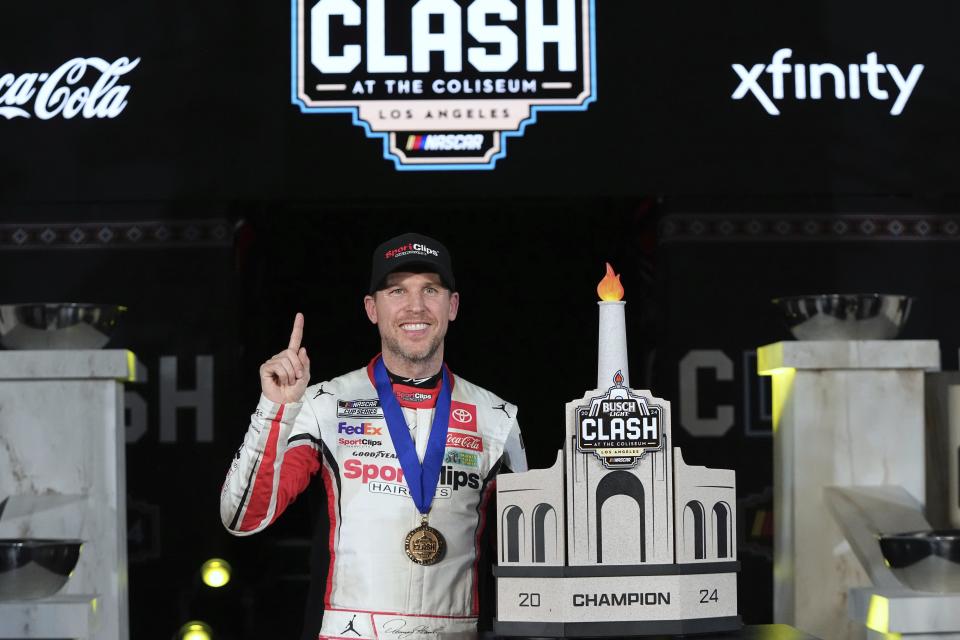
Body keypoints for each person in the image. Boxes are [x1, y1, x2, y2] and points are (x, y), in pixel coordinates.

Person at [220, 233, 527, 640]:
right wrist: (274, 409)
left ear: (452, 305)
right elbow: (243, 518)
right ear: (372, 309)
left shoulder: (497, 417)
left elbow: (524, 561)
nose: (415, 306)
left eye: (430, 290)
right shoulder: (323, 405)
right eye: (397, 290)